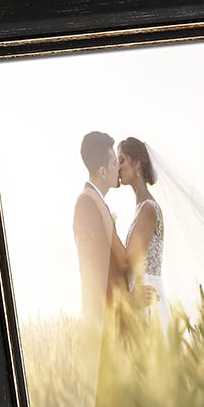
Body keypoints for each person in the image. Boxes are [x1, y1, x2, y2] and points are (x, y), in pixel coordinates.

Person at [72, 129, 129, 326]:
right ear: (103, 172)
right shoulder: (86, 204)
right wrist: (126, 301)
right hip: (107, 322)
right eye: (115, 163)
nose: (119, 168)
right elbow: (92, 270)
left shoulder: (96, 202)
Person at [115, 136, 170, 332]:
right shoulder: (140, 208)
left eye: (121, 159)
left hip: (146, 297)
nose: (117, 165)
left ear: (137, 164)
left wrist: (109, 230)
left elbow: (129, 261)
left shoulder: (148, 209)